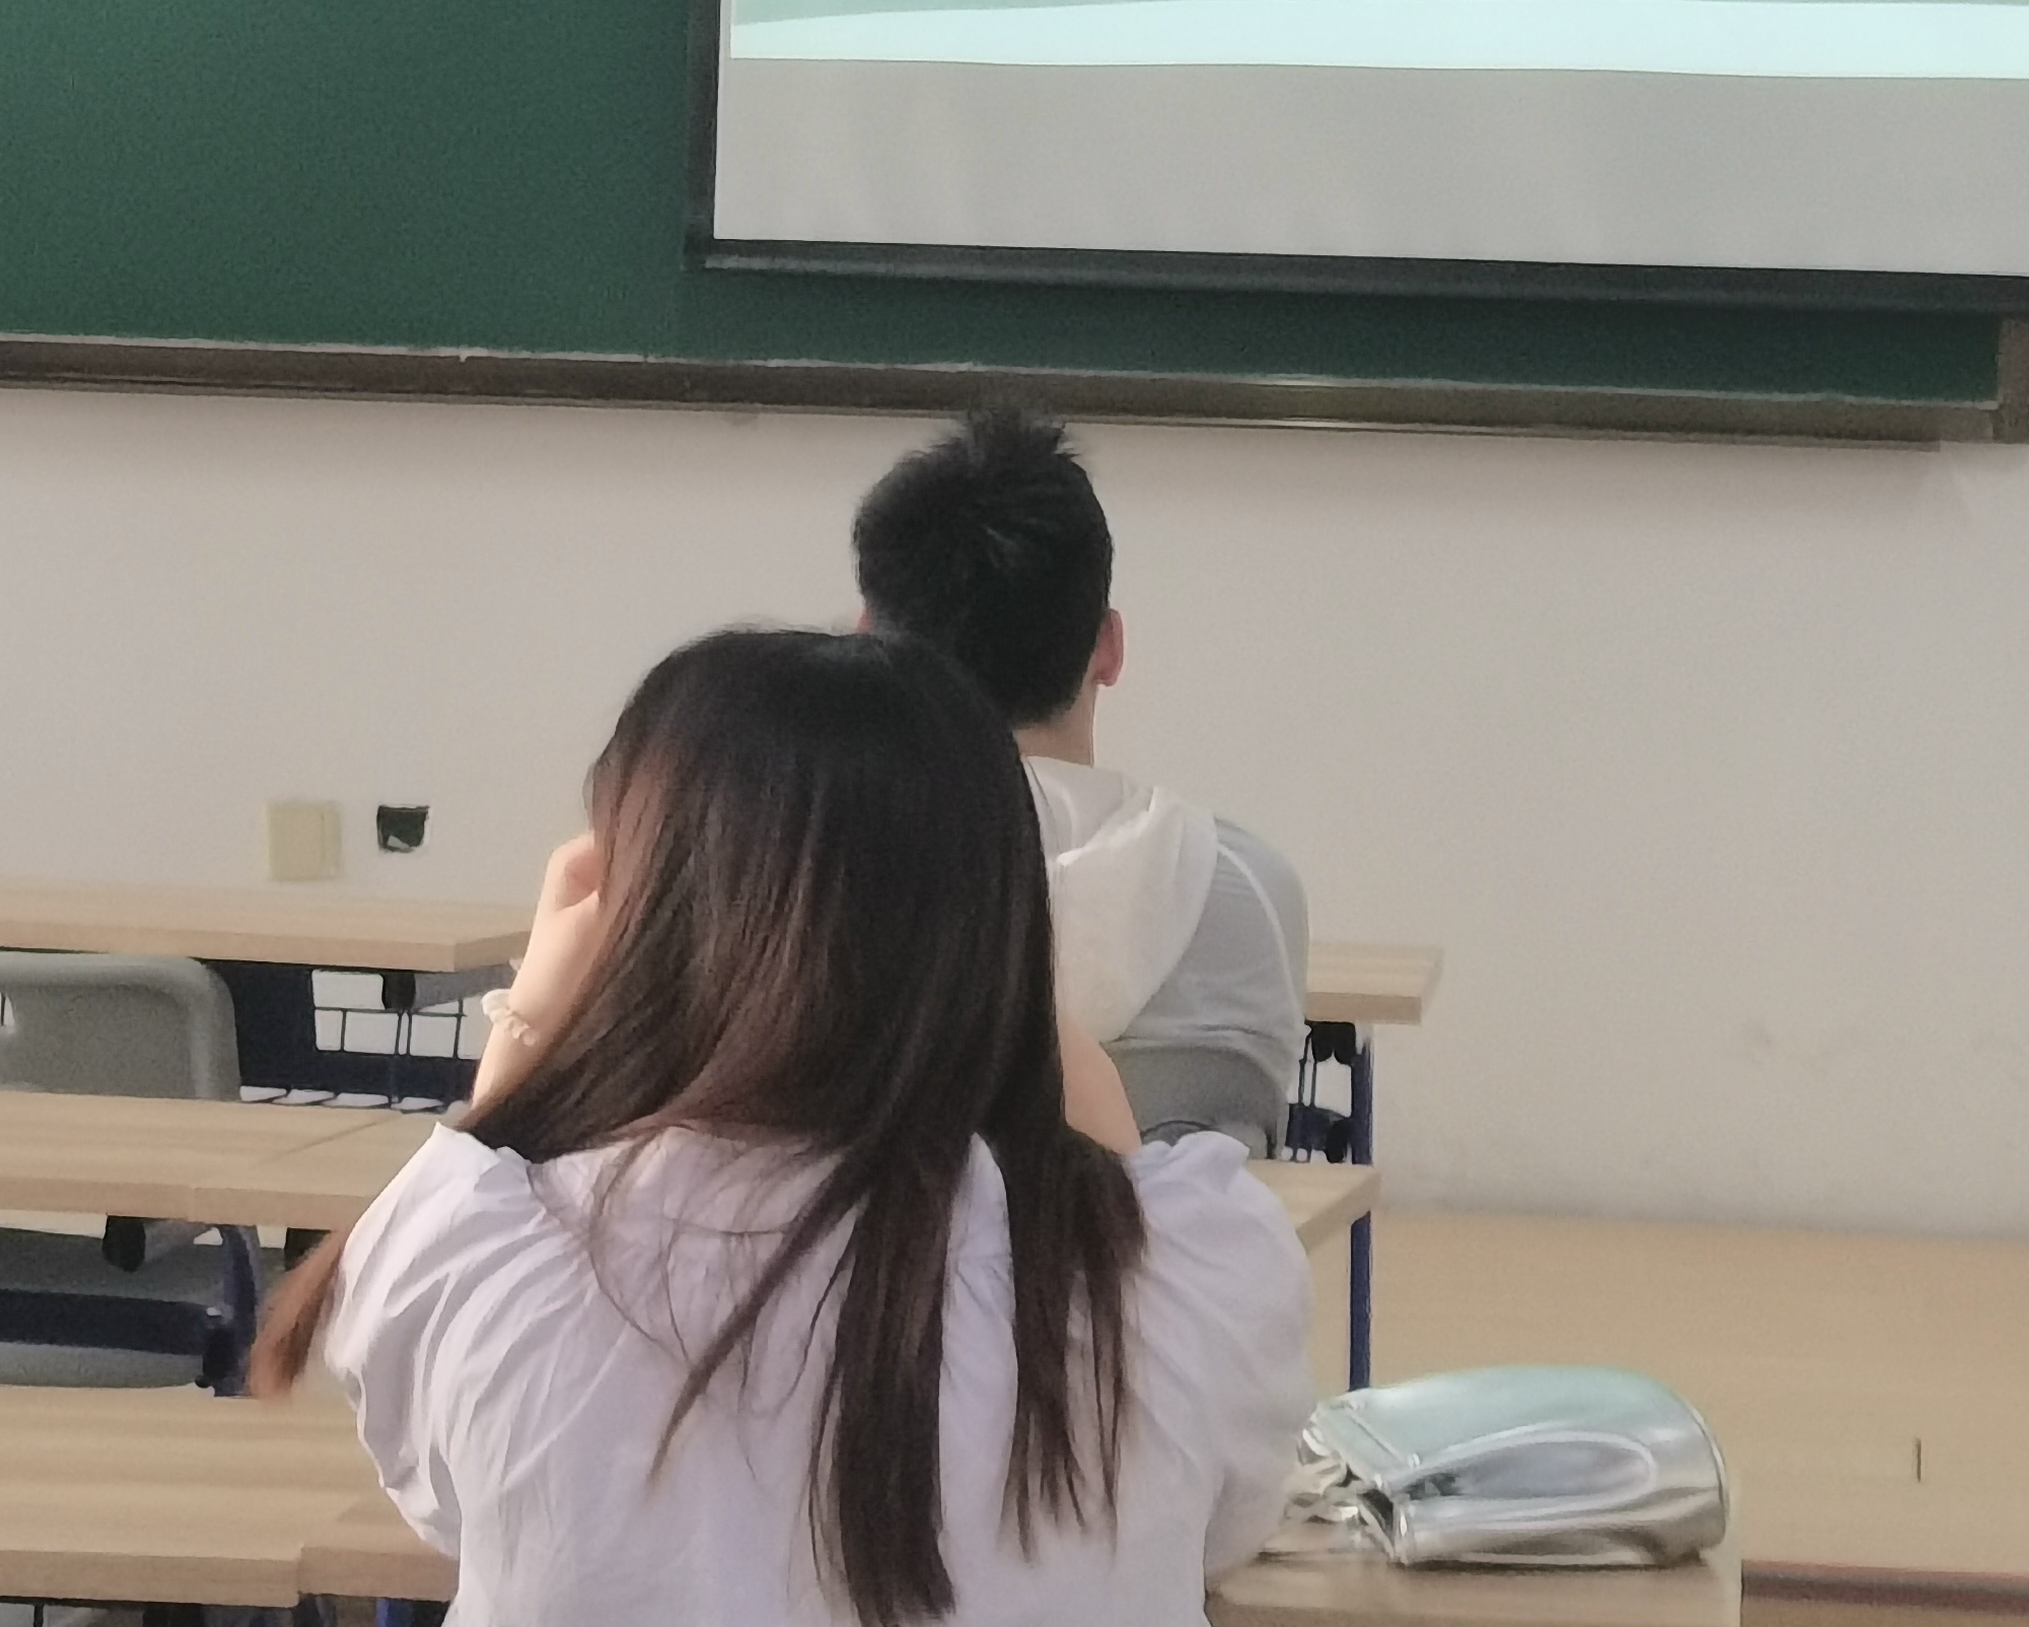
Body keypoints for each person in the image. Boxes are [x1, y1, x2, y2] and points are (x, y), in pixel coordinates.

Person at [260, 628, 1308, 1627]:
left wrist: (529, 1024)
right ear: (1004, 918)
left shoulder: (471, 1259)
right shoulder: (1177, 1280)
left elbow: (452, 1505)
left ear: (638, 926)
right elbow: (1219, 1524)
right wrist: (1009, 997)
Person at [855, 407, 1310, 1150]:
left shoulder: (814, 885)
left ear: (867, 647)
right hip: (1160, 1228)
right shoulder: (1251, 889)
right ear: (1110, 646)